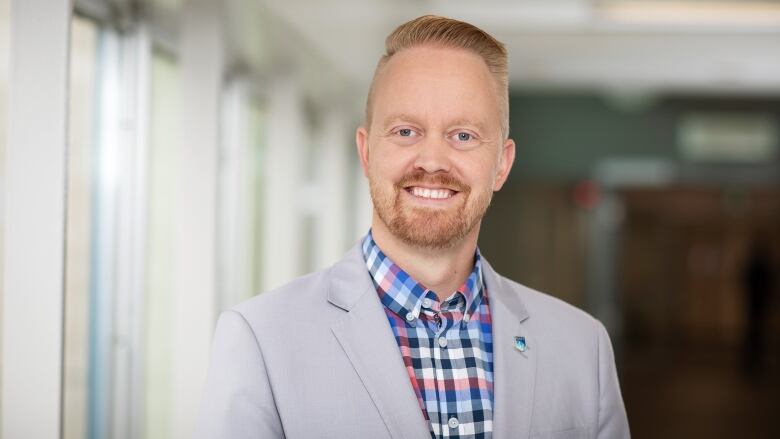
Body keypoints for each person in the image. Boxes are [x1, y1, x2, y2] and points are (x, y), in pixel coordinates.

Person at [195, 15, 630, 439]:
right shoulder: (260, 340)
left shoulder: (582, 348)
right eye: (406, 131)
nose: (433, 161)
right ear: (366, 153)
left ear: (502, 164)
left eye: (463, 136)